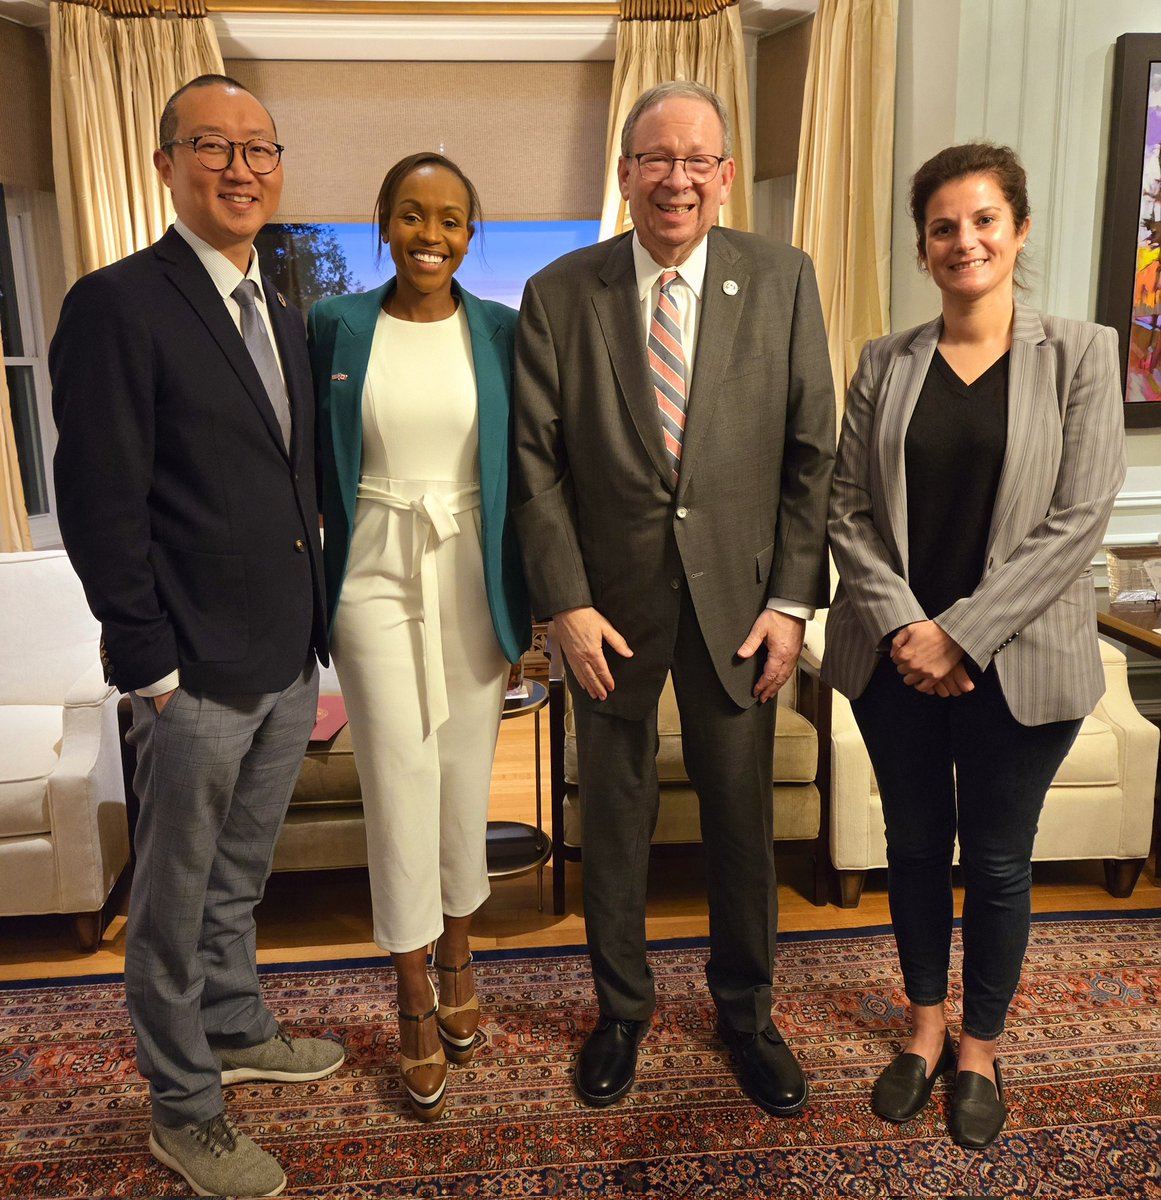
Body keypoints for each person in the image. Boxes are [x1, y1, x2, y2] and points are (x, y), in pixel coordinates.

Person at [513, 81, 834, 1117]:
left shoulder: (783, 280)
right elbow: (537, 467)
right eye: (657, 158)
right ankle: (622, 1012)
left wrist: (792, 600)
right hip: (606, 612)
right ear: (626, 172)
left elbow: (811, 455)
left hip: (742, 606)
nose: (678, 178)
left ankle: (747, 1014)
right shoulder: (562, 294)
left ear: (727, 175)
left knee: (741, 819)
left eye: (699, 159)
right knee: (613, 816)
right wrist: (563, 603)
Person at [50, 74, 344, 1197]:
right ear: (164, 162)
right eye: (212, 146)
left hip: (280, 659)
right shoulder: (117, 303)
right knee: (170, 906)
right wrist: (151, 667)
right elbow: (100, 501)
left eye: (259, 148)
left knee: (236, 882)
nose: (239, 168)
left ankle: (232, 1027)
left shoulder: (277, 304)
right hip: (192, 673)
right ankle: (184, 1107)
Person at [822, 142, 1125, 1148]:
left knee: (997, 863)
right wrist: (911, 630)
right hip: (894, 663)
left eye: (985, 220)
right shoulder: (883, 361)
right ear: (923, 247)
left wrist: (963, 635)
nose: (965, 240)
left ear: (1019, 230)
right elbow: (847, 508)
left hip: (1022, 667)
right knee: (914, 849)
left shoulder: (1081, 352)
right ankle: (921, 1029)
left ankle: (981, 1047)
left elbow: (1079, 517)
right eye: (945, 226)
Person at [308, 152, 530, 1122]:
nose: (428, 234)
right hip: (372, 570)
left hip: (471, 573)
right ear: (383, 225)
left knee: (461, 775)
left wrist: (534, 599)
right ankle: (409, 991)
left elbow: (527, 472)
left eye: (448, 219)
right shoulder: (334, 325)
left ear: (470, 235)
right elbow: (304, 457)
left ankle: (458, 950)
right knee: (396, 775)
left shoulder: (505, 332)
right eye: (409, 214)